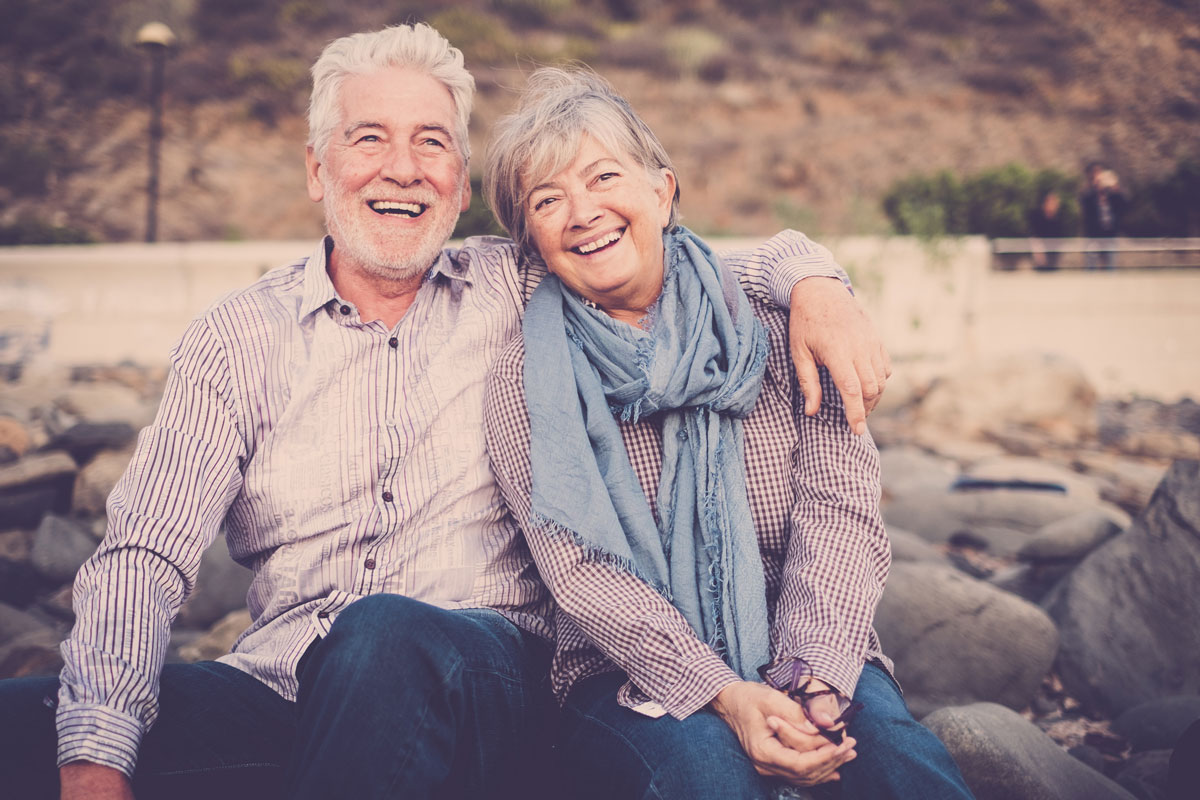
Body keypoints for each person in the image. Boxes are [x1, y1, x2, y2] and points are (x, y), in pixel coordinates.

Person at [0, 23, 891, 800]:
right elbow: (145, 553)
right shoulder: (235, 340)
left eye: (432, 143)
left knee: (384, 634)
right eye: (369, 139)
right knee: (31, 727)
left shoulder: (517, 283)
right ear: (318, 168)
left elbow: (657, 246)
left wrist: (811, 278)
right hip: (288, 689)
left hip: (489, 684)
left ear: (462, 186)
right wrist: (96, 757)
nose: (402, 168)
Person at [482, 67, 973, 800]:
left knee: (902, 771)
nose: (581, 212)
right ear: (533, 240)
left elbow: (841, 519)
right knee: (706, 776)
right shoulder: (528, 375)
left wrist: (817, 681)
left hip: (810, 645)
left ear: (662, 190)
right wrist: (723, 694)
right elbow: (581, 573)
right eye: (547, 200)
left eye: (603, 177)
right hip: (627, 673)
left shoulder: (784, 323)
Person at [1080, 161, 1128, 269]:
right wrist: (1094, 187)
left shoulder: (1111, 194)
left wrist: (1115, 188)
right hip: (1093, 236)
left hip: (1110, 235)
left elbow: (1125, 204)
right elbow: (1084, 203)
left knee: (1111, 265)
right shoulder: (1088, 193)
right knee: (1091, 266)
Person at [1027, 189, 1065, 270]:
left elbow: (1059, 241)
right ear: (1045, 203)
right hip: (1040, 255)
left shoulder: (1058, 220)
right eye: (1052, 202)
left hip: (1053, 256)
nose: (1055, 205)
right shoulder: (1036, 217)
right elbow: (1033, 236)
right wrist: (1039, 250)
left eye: (1056, 203)